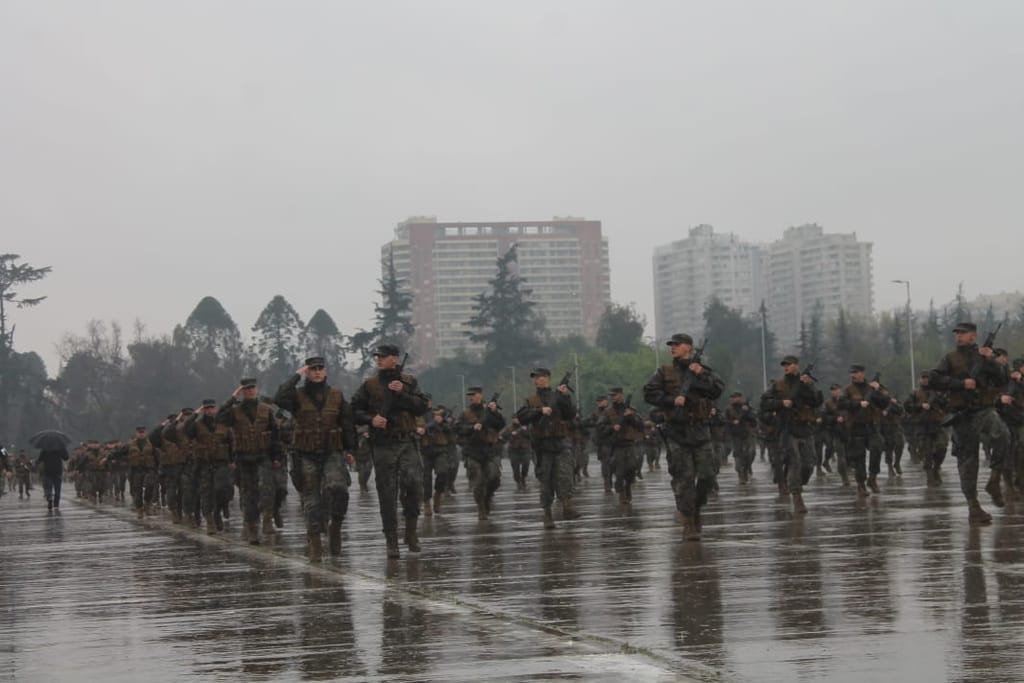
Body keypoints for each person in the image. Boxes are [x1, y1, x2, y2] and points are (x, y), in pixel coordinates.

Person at [351, 344, 430, 559]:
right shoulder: (370, 385)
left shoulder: (409, 381)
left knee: (414, 485)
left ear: (395, 359)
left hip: (407, 442)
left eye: (383, 357)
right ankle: (391, 540)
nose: (379, 360)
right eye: (377, 356)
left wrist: (402, 393)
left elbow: (422, 407)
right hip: (383, 444)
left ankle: (411, 532)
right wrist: (371, 419)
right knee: (387, 493)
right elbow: (354, 410)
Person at [643, 333, 724, 541]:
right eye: (671, 345)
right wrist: (672, 400)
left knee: (707, 476)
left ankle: (696, 507)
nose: (673, 348)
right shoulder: (664, 372)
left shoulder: (702, 370)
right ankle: (688, 522)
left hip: (700, 430)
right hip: (676, 432)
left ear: (688, 347)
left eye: (677, 345)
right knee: (683, 478)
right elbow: (649, 393)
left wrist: (702, 376)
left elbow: (717, 390)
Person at [929, 322, 1012, 523]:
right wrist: (960, 383)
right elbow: (933, 379)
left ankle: (994, 479)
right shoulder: (950, 358)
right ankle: (973, 507)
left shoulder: (984, 356)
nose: (959, 336)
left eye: (963, 333)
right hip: (961, 415)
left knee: (1003, 436)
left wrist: (990, 360)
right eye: (957, 333)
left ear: (973, 336)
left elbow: (1003, 379)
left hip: (983, 410)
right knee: (967, 461)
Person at [275, 356, 356, 561]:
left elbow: (347, 422)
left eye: (320, 368)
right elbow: (279, 398)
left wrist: (351, 450)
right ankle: (315, 542)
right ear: (307, 372)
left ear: (326, 372)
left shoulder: (336, 395)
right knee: (311, 500)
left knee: (339, 489)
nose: (317, 372)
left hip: (331, 452)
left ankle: (335, 525)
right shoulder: (297, 396)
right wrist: (296, 375)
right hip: (305, 454)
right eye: (313, 369)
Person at [219, 378, 282, 544]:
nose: (249, 391)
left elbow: (275, 435)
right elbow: (219, 418)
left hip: (263, 456)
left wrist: (277, 457)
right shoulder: (235, 411)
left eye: (252, 388)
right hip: (244, 459)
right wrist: (232, 398)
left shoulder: (266, 410)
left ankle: (267, 518)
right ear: (242, 391)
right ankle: (252, 527)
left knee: (267, 489)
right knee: (249, 495)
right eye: (245, 389)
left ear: (257, 389)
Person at [515, 367, 579, 529]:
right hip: (542, 447)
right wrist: (539, 411)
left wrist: (565, 397)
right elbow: (522, 416)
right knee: (546, 481)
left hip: (560, 443)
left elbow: (570, 414)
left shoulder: (557, 396)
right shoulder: (531, 400)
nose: (538, 380)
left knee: (565, 476)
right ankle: (547, 514)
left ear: (548, 378)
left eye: (541, 377)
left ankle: (567, 507)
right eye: (536, 378)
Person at [759, 355, 823, 514]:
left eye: (790, 364)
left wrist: (809, 386)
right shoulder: (778, 385)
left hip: (805, 428)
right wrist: (781, 403)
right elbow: (764, 403)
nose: (786, 367)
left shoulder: (806, 383)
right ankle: (797, 496)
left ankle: (796, 484)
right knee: (795, 461)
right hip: (788, 428)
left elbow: (816, 401)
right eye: (785, 365)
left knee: (809, 464)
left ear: (797, 365)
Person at [838, 365, 891, 498]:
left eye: (856, 373)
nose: (853, 375)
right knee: (859, 456)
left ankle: (872, 477)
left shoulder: (871, 388)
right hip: (856, 427)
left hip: (872, 426)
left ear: (862, 373)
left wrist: (878, 389)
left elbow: (884, 403)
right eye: (852, 373)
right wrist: (858, 404)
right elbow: (842, 403)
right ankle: (861, 484)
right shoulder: (848, 390)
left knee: (877, 448)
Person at [456, 387, 506, 520]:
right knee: (477, 480)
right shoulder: (465, 414)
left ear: (481, 395)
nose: (471, 397)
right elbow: (457, 428)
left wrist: (495, 413)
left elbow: (501, 424)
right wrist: (471, 427)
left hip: (490, 449)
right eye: (469, 395)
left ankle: (487, 497)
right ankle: (481, 508)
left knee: (494, 478)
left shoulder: (489, 411)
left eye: (474, 395)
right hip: (472, 451)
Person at [598, 387, 644, 505]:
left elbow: (640, 426)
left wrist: (631, 417)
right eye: (611, 395)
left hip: (630, 444)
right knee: (618, 472)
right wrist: (612, 428)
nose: (612, 397)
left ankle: (628, 486)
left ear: (620, 395)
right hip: (616, 446)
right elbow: (600, 427)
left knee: (632, 468)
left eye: (615, 395)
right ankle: (621, 493)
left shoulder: (631, 410)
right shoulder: (607, 412)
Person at [904, 372, 948, 487]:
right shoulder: (915, 393)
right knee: (926, 452)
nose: (925, 380)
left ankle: (936, 468)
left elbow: (946, 405)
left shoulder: (937, 392)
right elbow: (907, 406)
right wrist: (920, 406)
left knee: (942, 447)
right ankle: (930, 476)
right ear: (920, 380)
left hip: (937, 424)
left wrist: (937, 400)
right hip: (922, 425)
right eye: (923, 378)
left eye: (927, 378)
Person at [419, 406, 452, 515]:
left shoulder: (441, 416)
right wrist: (419, 430)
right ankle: (427, 501)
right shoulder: (419, 416)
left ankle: (438, 495)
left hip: (440, 450)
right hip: (425, 451)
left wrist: (442, 422)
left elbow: (450, 430)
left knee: (442, 473)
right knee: (426, 478)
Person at [126, 426, 159, 519]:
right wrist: (108, 458)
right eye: (139, 432)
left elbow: (157, 456)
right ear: (136, 433)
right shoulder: (130, 445)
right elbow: (120, 452)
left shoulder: (151, 443)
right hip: (136, 470)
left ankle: (147, 503)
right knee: (137, 491)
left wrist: (159, 468)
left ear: (145, 433)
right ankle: (139, 509)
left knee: (150, 486)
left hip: (149, 469)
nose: (141, 434)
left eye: (143, 432)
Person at [724, 392, 758, 485]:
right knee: (738, 454)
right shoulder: (729, 409)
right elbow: (725, 421)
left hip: (748, 433)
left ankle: (747, 467)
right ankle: (741, 473)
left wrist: (747, 412)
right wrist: (732, 422)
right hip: (736, 435)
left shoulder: (747, 407)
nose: (735, 399)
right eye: (733, 397)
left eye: (737, 397)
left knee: (751, 452)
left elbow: (754, 419)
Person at [36, 445, 69, 511]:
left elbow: (40, 459)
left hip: (48, 470)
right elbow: (66, 457)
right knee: (57, 488)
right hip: (58, 470)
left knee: (48, 487)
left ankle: (49, 498)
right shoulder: (60, 447)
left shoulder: (45, 448)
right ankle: (56, 504)